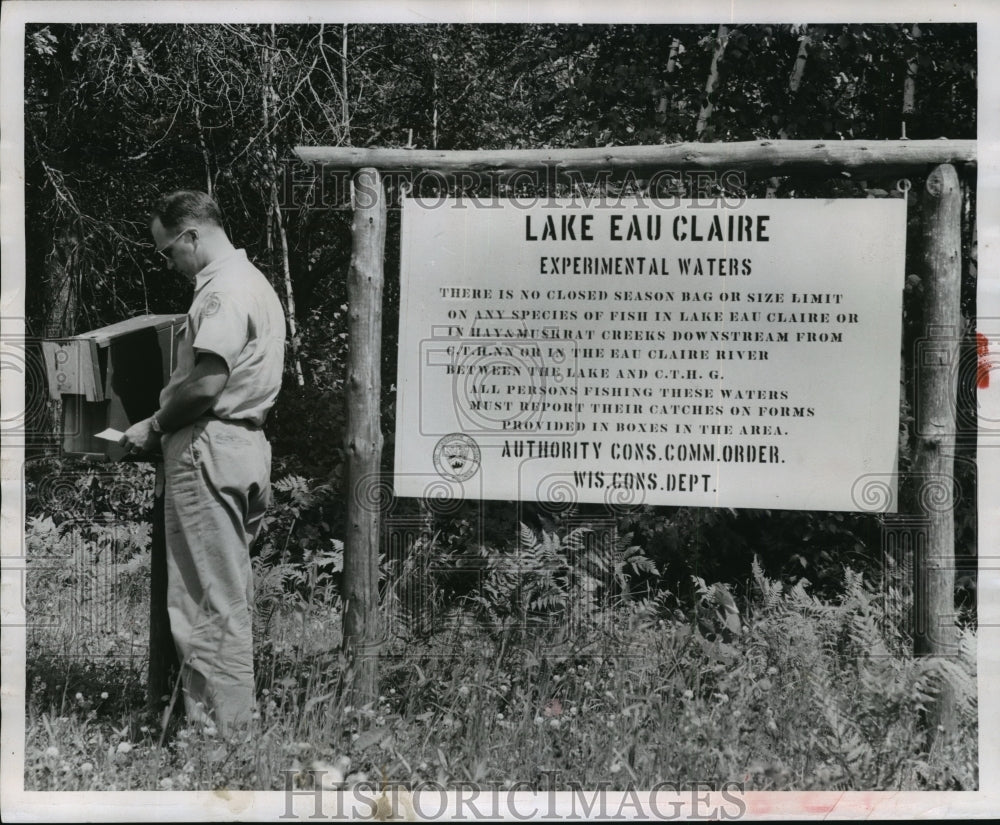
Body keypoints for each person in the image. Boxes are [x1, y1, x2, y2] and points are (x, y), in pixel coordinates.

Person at [121, 191, 285, 733]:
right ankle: (226, 728)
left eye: (169, 252)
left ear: (192, 236)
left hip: (209, 447)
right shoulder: (256, 282)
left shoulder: (222, 290)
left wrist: (156, 424)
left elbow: (209, 382)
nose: (171, 264)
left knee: (206, 605)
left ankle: (224, 741)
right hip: (245, 448)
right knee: (225, 595)